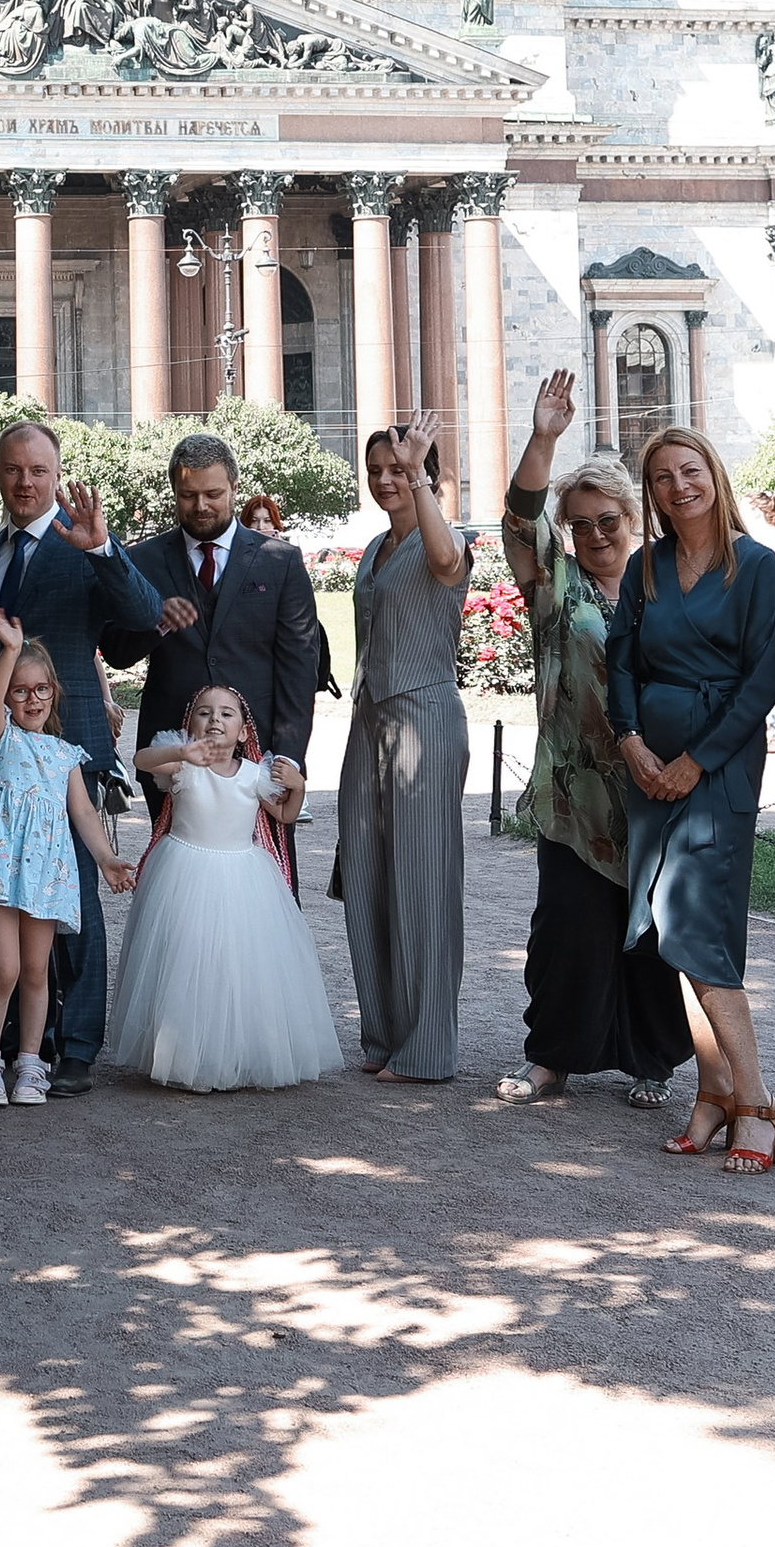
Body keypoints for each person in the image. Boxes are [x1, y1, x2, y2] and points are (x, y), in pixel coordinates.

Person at [0, 428, 165, 1097]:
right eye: (11, 470)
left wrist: (103, 549)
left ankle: (75, 1045)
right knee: (7, 898)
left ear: (57, 472)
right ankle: (12, 1041)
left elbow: (144, 617)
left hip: (69, 753)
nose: (24, 483)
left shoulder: (83, 545)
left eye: (38, 471)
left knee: (73, 908)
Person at [607, 423, 775, 1173]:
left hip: (715, 767)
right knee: (667, 925)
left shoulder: (753, 567)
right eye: (661, 477)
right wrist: (630, 741)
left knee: (701, 928)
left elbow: (768, 675)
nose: (677, 486)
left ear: (713, 476)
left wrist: (699, 759)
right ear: (650, 492)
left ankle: (757, 1103)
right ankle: (714, 1093)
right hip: (647, 763)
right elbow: (619, 658)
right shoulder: (644, 566)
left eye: (689, 471)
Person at [495, 374, 688, 1107]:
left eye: (608, 519)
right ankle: (551, 1058)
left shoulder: (664, 586)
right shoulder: (555, 585)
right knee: (567, 928)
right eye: (581, 522)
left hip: (655, 785)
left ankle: (653, 1060)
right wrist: (544, 437)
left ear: (632, 519)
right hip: (574, 793)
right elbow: (519, 519)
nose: (596, 533)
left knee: (649, 930)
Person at [0, 609, 138, 1107]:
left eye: (41, 689)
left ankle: (31, 1063)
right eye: (20, 690)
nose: (31, 699)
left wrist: (106, 859)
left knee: (38, 972)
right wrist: (9, 650)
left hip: (45, 873)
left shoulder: (66, 754)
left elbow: (84, 815)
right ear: (7, 697)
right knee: (4, 971)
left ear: (54, 691)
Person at [114, 684, 343, 1091]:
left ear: (242, 731)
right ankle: (182, 1051)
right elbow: (141, 759)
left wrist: (300, 787)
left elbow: (286, 815)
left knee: (237, 964)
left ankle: (233, 1052)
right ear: (191, 723)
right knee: (186, 957)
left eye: (226, 713)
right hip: (184, 871)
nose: (214, 719)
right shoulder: (182, 765)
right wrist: (181, 753)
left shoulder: (255, 775)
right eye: (204, 712)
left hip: (243, 876)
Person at [335, 412, 473, 1082]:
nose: (387, 480)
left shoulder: (445, 538)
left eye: (403, 469)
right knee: (365, 877)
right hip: (369, 723)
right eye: (380, 471)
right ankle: (384, 1036)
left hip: (425, 720)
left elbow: (445, 563)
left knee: (422, 883)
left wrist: (423, 481)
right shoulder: (372, 549)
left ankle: (425, 1050)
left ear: (429, 473)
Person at [105, 432, 323, 803]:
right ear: (174, 490)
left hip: (258, 757)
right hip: (171, 758)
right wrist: (156, 621)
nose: (201, 506)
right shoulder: (143, 560)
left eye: (213, 494)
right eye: (188, 496)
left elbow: (299, 667)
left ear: (234, 488)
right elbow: (116, 651)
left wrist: (287, 755)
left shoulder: (281, 561)